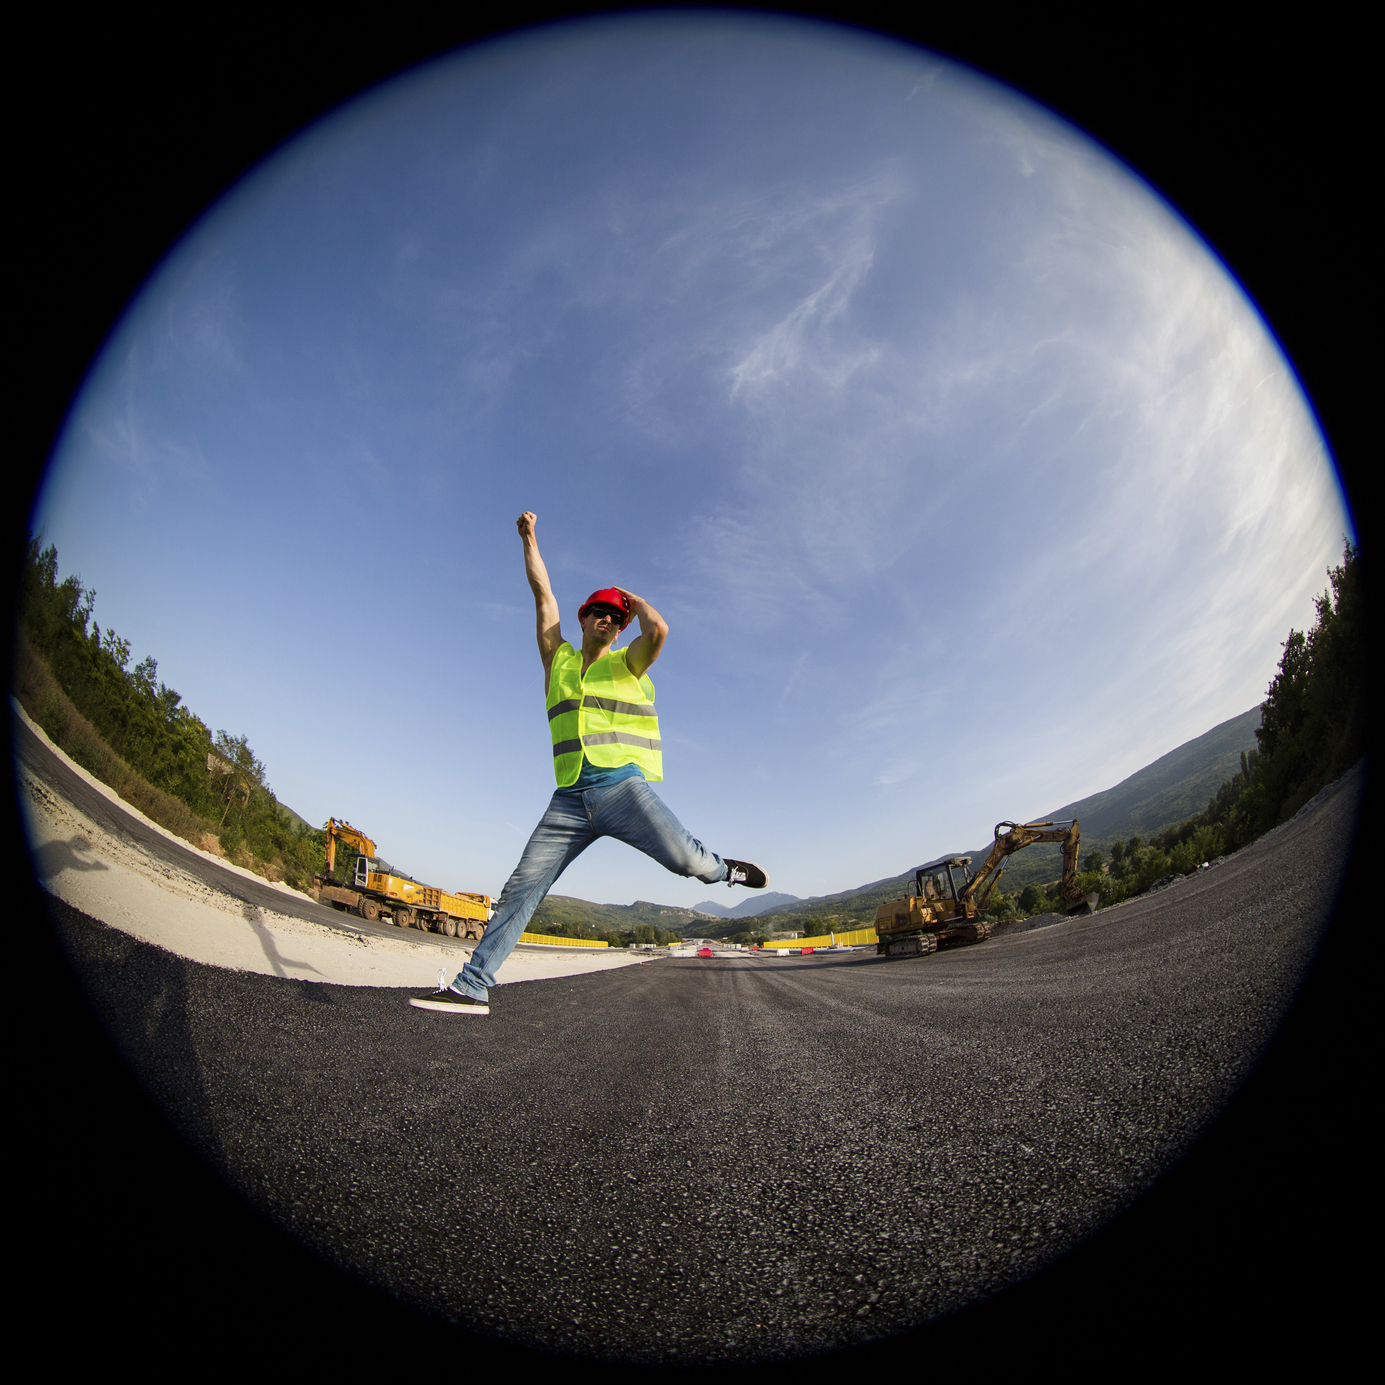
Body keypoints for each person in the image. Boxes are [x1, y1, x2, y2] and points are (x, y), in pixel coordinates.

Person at [411, 511, 766, 1014]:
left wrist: (633, 601)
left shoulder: (628, 662)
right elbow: (543, 595)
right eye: (599, 612)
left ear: (621, 629)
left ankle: (724, 870)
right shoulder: (556, 659)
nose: (607, 619)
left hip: (622, 790)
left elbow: (659, 630)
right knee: (521, 888)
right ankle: (473, 985)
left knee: (686, 861)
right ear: (582, 619)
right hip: (569, 801)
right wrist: (529, 539)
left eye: (615, 617)